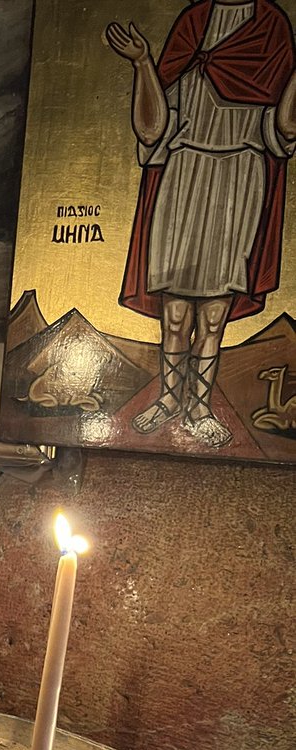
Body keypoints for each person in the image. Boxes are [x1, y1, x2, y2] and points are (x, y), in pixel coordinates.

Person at [108, 2, 296, 449]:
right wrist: (142, 63)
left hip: (239, 178)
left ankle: (199, 408)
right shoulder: (193, 23)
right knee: (174, 312)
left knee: (213, 315)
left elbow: (286, 128)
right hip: (184, 172)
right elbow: (152, 131)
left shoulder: (272, 27)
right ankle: (169, 399)